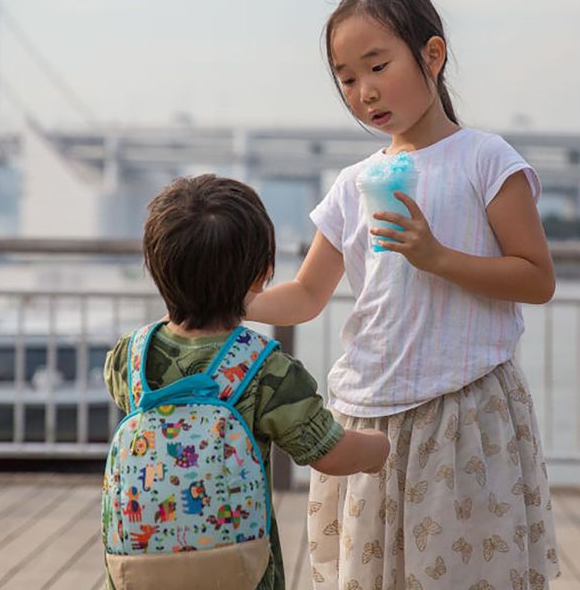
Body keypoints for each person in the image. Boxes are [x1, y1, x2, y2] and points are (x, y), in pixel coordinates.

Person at [246, 0, 560, 588]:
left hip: (462, 409)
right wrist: (227, 302)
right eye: (346, 77)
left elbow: (536, 277)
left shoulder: (486, 160)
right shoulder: (353, 182)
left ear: (432, 55)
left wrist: (438, 257)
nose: (364, 92)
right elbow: (308, 295)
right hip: (367, 415)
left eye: (377, 65)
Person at [102, 174, 390, 590]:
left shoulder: (128, 356)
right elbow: (329, 452)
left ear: (156, 267)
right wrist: (380, 446)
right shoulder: (264, 369)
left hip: (138, 570)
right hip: (239, 572)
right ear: (262, 274)